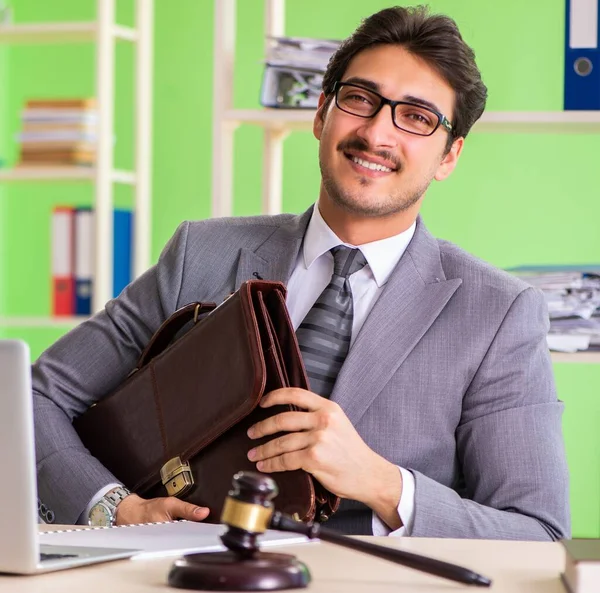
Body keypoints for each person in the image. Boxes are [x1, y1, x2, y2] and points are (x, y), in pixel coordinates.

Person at [33, 5, 570, 540]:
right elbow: (34, 396)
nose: (378, 132)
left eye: (416, 117)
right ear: (321, 115)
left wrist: (382, 483)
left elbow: (538, 532)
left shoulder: (498, 313)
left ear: (449, 156)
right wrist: (115, 509)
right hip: (182, 572)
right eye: (360, 99)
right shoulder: (201, 253)